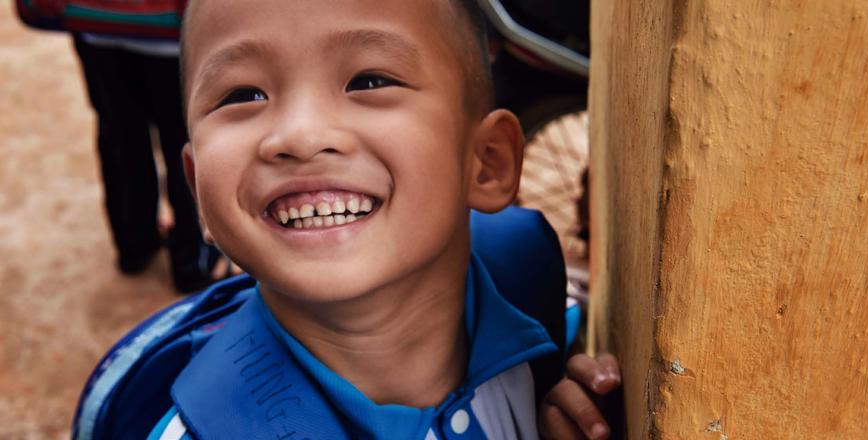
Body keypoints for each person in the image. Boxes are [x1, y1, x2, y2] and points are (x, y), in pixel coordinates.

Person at [74, 0, 618, 438]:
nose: (301, 136)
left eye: (370, 81)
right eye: (243, 94)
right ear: (198, 192)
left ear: (487, 162)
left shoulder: (534, 301)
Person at [71, 31, 222, 293]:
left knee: (121, 138)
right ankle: (192, 265)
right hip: (172, 36)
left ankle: (135, 245)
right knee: (186, 141)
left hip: (95, 24)